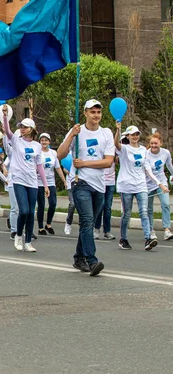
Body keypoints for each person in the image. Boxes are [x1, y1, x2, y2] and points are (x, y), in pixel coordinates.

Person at [57, 99, 114, 276]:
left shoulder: (106, 133)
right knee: (87, 221)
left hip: (99, 184)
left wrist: (85, 163)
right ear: (85, 113)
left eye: (98, 112)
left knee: (88, 224)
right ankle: (92, 260)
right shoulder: (78, 131)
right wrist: (71, 136)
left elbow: (108, 161)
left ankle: (78, 257)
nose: (96, 115)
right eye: (92, 112)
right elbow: (60, 154)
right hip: (80, 182)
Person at [114, 124, 167, 251]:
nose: (135, 136)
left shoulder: (143, 150)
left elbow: (148, 169)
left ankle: (148, 238)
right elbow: (116, 144)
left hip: (141, 185)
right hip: (126, 185)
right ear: (128, 136)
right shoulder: (124, 149)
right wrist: (118, 130)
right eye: (132, 134)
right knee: (126, 213)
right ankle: (123, 239)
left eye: (137, 134)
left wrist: (159, 183)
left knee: (144, 211)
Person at [2, 114, 48, 252]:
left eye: (24, 127)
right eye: (20, 127)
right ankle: (18, 235)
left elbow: (39, 166)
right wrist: (5, 117)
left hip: (32, 181)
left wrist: (45, 185)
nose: (22, 129)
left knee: (31, 213)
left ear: (32, 129)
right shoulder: (16, 140)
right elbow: (7, 131)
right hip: (18, 179)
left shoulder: (37, 146)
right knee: (24, 210)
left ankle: (28, 242)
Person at [36, 133, 67, 235]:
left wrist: (64, 181)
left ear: (49, 141)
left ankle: (48, 224)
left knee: (53, 203)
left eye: (46, 140)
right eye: (42, 140)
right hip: (39, 182)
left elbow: (57, 168)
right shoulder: (38, 153)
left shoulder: (53, 153)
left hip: (50, 181)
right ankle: (40, 227)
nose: (44, 142)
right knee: (41, 205)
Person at [145, 132, 173, 241]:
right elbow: (149, 173)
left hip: (162, 182)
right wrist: (160, 184)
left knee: (166, 204)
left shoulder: (165, 153)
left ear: (160, 143)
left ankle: (167, 230)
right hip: (148, 184)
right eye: (151, 143)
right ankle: (151, 230)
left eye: (156, 143)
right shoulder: (146, 154)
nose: (153, 145)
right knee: (149, 209)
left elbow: (169, 166)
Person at [94, 159, 117, 240]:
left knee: (108, 207)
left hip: (110, 182)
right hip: (100, 181)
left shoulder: (114, 152)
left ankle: (107, 231)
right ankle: (96, 229)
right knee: (100, 205)